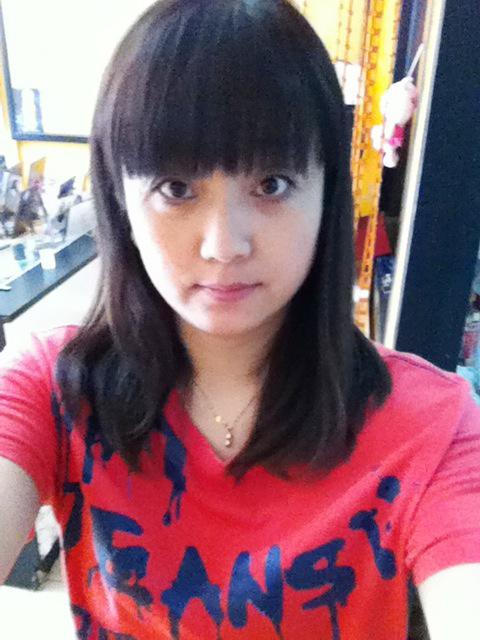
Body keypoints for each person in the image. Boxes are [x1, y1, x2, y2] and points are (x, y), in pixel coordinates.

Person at [0, 1, 479, 638]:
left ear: (327, 192)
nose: (224, 245)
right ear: (120, 200)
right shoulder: (54, 386)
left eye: (272, 184)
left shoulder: (432, 425)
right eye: (176, 189)